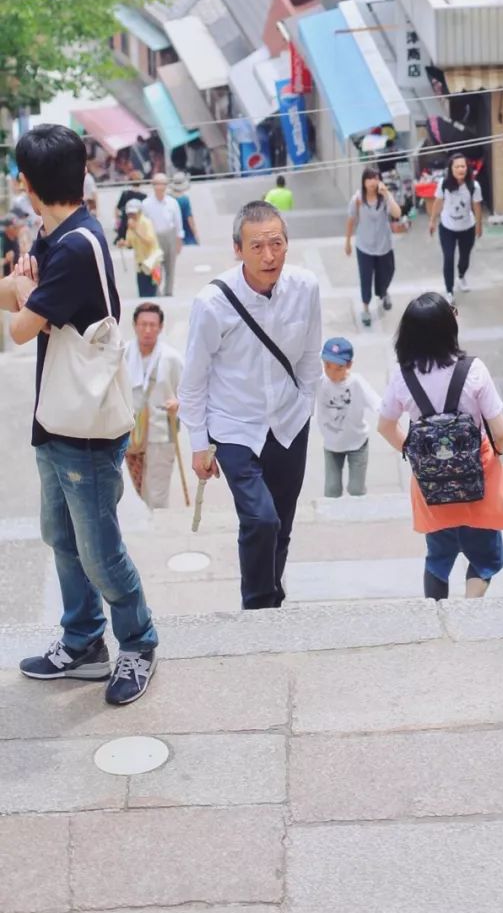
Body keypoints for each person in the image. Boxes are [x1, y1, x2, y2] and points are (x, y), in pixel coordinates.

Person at [0, 124, 157, 706]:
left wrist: (19, 289)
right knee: (61, 536)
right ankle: (84, 642)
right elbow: (16, 298)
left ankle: (137, 642)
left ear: (28, 182)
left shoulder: (72, 247)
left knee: (99, 548)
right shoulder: (53, 231)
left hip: (86, 427)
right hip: (57, 415)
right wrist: (19, 287)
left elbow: (16, 329)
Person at [178, 200, 322, 610]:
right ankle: (257, 606)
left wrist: (305, 404)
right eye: (257, 246)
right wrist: (198, 443)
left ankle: (270, 596)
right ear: (237, 250)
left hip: (290, 422)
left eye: (276, 243)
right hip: (234, 426)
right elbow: (193, 380)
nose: (269, 255)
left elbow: (311, 356)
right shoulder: (211, 304)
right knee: (261, 520)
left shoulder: (305, 287)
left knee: (282, 524)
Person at [378, 293, 503, 599]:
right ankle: (470, 606)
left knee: (438, 559)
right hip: (477, 479)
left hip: (431, 487)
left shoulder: (403, 376)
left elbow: (385, 426)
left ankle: (437, 613)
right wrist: (494, 456)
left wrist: (412, 453)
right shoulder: (473, 370)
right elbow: (502, 432)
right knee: (487, 555)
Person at [125, 302, 185, 509]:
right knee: (142, 491)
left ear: (161, 327)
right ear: (134, 325)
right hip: (131, 436)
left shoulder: (172, 359)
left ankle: (161, 535)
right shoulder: (123, 355)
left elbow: (189, 392)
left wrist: (179, 404)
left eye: (152, 325)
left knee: (157, 495)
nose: (148, 330)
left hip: (162, 433)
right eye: (143, 325)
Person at [316, 335, 379, 498]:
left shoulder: (356, 383)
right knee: (331, 489)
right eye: (327, 366)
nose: (331, 372)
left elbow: (377, 403)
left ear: (348, 365)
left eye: (338, 368)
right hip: (332, 445)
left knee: (356, 489)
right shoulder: (320, 383)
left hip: (357, 443)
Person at [345, 166, 401, 327]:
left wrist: (387, 194)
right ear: (363, 181)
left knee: (388, 272)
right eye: (369, 178)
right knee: (366, 277)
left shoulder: (384, 198)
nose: (372, 182)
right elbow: (350, 220)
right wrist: (347, 241)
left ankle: (383, 292)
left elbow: (397, 214)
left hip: (384, 245)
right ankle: (365, 308)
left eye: (375, 178)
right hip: (365, 246)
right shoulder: (357, 199)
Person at [430, 152, 483, 305]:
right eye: (457, 166)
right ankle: (449, 290)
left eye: (463, 166)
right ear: (451, 169)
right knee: (448, 258)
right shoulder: (444, 184)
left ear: (467, 168)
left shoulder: (474, 186)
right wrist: (432, 221)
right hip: (447, 227)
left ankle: (461, 276)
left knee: (464, 257)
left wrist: (479, 226)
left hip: (467, 227)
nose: (461, 169)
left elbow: (477, 207)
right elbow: (438, 203)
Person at [141, 171, 184, 296]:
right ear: (153, 185)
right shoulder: (146, 203)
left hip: (169, 235)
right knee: (156, 265)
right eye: (157, 184)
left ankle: (168, 291)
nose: (160, 187)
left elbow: (178, 222)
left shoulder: (172, 202)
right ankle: (157, 291)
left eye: (162, 184)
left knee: (170, 265)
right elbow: (144, 223)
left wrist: (179, 239)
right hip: (154, 237)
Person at [119, 199, 162, 297]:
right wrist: (123, 243)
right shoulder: (131, 224)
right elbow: (130, 242)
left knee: (153, 293)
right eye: (129, 213)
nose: (131, 216)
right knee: (142, 293)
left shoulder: (146, 223)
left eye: (133, 213)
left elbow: (149, 241)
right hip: (140, 264)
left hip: (153, 263)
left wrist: (136, 231)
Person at [170, 171, 199, 246]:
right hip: (186, 233)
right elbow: (189, 219)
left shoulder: (169, 198)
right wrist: (196, 234)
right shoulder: (184, 200)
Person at [114, 174, 144, 243]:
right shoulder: (144, 196)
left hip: (125, 225)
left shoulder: (125, 194)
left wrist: (117, 222)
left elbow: (117, 209)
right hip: (138, 225)